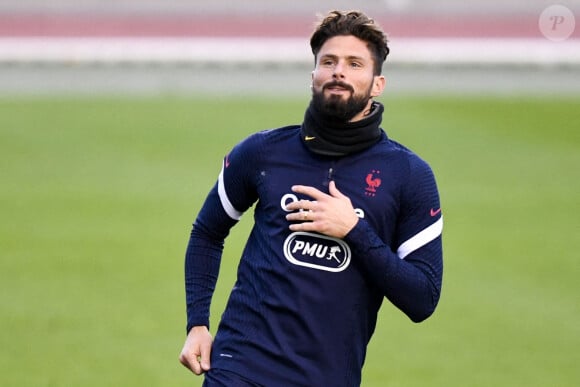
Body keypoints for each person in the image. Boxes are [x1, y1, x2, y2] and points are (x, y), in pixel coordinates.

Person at [179, 9, 443, 387]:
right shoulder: (262, 152)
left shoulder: (409, 175)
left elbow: (423, 299)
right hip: (239, 368)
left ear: (377, 83)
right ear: (313, 75)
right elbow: (207, 232)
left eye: (355, 64)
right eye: (329, 62)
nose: (339, 71)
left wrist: (354, 229)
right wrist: (198, 323)